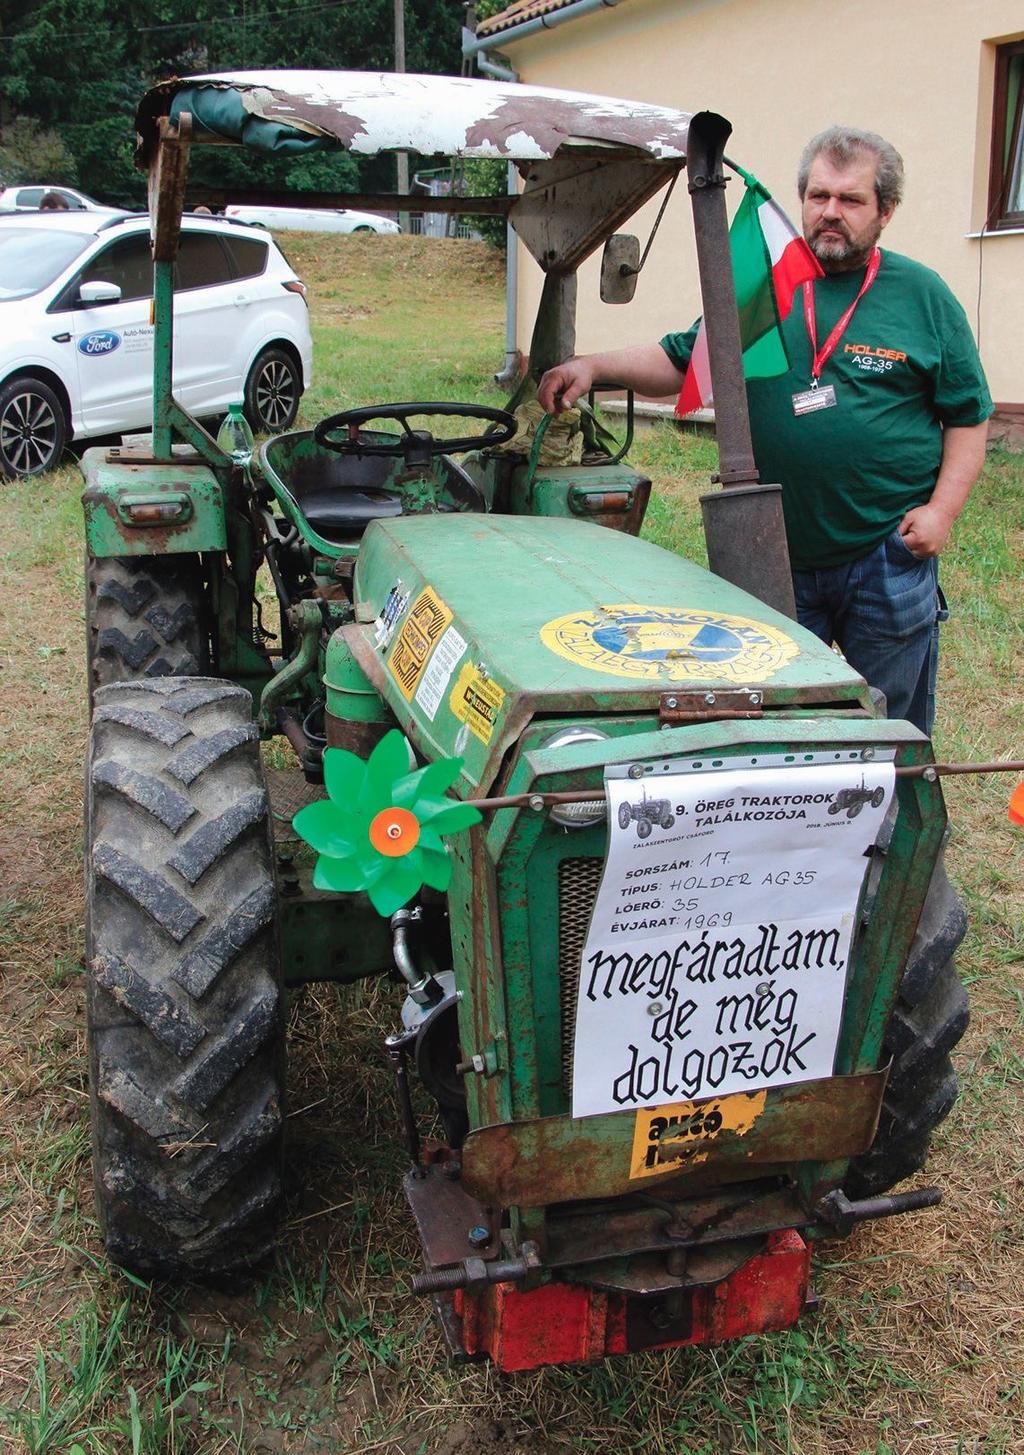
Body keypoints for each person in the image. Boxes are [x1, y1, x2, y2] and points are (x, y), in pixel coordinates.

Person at [537, 126, 993, 736]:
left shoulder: (923, 296)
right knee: (771, 712)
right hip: (770, 552)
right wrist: (590, 366)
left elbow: (968, 413)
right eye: (818, 195)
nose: (830, 212)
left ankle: (889, 828)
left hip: (885, 551)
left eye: (851, 200)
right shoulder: (768, 283)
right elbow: (684, 359)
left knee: (892, 718)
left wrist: (941, 513)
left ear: (886, 211)